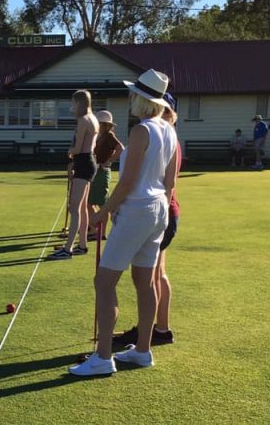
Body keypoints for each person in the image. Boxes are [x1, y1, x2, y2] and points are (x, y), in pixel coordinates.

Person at [69, 69, 177, 376]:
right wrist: (159, 211)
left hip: (139, 210)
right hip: (158, 209)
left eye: (133, 94)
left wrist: (101, 215)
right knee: (144, 282)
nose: (130, 98)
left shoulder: (142, 131)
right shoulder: (169, 129)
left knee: (104, 282)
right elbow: (169, 181)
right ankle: (143, 351)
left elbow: (127, 182)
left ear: (141, 99)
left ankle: (103, 358)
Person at [113, 93, 180, 349]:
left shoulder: (156, 135)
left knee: (149, 277)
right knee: (154, 275)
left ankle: (151, 333)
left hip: (154, 210)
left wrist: (110, 208)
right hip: (161, 209)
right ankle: (154, 332)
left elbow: (165, 181)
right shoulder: (166, 135)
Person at [50, 90, 99, 260]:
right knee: (83, 208)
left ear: (79, 103)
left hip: (84, 162)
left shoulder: (83, 120)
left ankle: (68, 248)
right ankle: (82, 245)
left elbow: (77, 148)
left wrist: (69, 152)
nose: (72, 107)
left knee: (74, 208)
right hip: (89, 161)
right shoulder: (94, 119)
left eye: (73, 103)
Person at [86, 110, 124, 241]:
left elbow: (120, 148)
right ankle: (94, 229)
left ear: (104, 124)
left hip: (102, 171)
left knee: (99, 203)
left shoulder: (109, 136)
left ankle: (99, 231)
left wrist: (109, 161)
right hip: (96, 171)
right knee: (91, 202)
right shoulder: (100, 136)